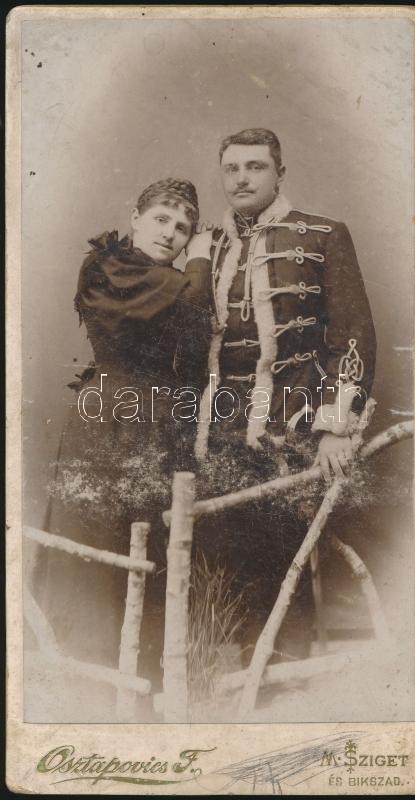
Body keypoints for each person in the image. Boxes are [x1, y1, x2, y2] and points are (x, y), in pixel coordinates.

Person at [187, 128, 377, 668]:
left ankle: (282, 673)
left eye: (256, 167)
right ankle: (222, 678)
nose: (242, 178)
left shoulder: (324, 234)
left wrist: (335, 425)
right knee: (218, 546)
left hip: (293, 419)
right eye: (232, 168)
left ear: (280, 174)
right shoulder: (205, 244)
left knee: (284, 546)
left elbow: (353, 333)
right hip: (217, 424)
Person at [28, 178, 210, 718]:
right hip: (108, 417)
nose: (171, 233)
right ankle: (82, 691)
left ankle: (141, 694)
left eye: (184, 229)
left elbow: (194, 349)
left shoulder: (169, 279)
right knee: (95, 543)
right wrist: (201, 258)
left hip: (161, 423)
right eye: (161, 219)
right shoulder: (109, 267)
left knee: (153, 547)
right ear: (135, 217)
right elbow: (191, 299)